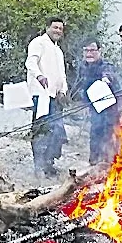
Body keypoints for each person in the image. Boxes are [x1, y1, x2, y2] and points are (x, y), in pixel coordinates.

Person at [25, 18, 68, 177]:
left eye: (60, 29)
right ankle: (39, 167)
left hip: (56, 98)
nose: (57, 31)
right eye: (55, 27)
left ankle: (49, 164)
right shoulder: (38, 43)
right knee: (41, 130)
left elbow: (62, 74)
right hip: (41, 95)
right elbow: (31, 63)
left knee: (57, 132)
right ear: (47, 27)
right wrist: (39, 76)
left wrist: (63, 90)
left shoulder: (58, 50)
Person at [79, 39, 120, 165]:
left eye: (92, 50)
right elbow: (83, 88)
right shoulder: (83, 67)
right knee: (95, 133)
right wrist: (84, 105)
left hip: (110, 108)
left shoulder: (106, 65)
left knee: (108, 134)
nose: (89, 53)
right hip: (94, 108)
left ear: (99, 51)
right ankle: (94, 163)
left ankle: (110, 163)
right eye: (86, 50)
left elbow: (108, 75)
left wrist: (106, 79)